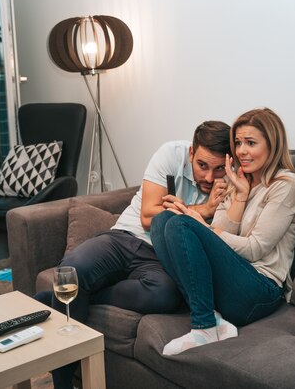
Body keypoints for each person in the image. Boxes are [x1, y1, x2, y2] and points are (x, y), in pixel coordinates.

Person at [34, 120, 231, 389]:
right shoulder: (171, 154)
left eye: (219, 168)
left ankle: (79, 295)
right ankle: (63, 384)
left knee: (164, 295)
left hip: (161, 258)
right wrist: (204, 209)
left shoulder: (234, 182)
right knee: (73, 270)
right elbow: (149, 216)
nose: (209, 178)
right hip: (124, 237)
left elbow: (220, 240)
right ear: (191, 154)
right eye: (203, 166)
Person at [150, 107, 295, 355]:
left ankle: (204, 327)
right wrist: (241, 196)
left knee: (182, 223)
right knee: (163, 219)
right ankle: (212, 318)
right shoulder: (236, 180)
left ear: (272, 145)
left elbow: (254, 250)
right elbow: (220, 237)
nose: (242, 150)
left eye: (251, 143)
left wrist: (202, 226)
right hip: (232, 280)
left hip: (260, 291)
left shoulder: (285, 186)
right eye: (239, 143)